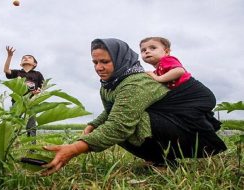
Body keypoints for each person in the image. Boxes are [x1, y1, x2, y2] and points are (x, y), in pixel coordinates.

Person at [41, 38, 226, 175]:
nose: (98, 67)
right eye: (95, 62)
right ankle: (159, 158)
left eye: (105, 61)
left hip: (187, 129)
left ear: (120, 59)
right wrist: (93, 124)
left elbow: (119, 124)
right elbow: (112, 109)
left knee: (127, 125)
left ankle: (165, 162)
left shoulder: (135, 83)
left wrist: (73, 149)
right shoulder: (110, 83)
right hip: (169, 123)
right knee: (118, 123)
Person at [3, 46, 44, 141]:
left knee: (31, 125)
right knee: (13, 122)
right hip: (17, 101)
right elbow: (6, 70)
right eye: (23, 58)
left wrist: (38, 91)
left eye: (29, 57)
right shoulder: (17, 73)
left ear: (34, 64)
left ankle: (31, 147)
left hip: (31, 102)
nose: (26, 58)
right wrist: (9, 56)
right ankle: (11, 143)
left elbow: (42, 87)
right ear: (21, 63)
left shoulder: (37, 74)